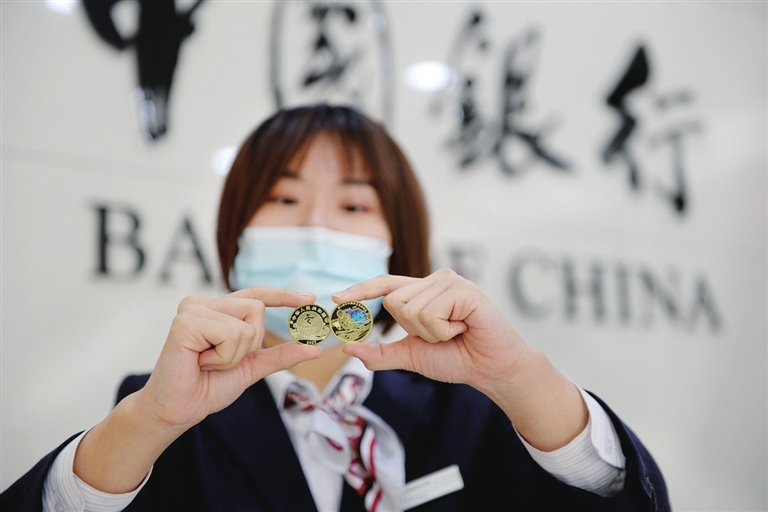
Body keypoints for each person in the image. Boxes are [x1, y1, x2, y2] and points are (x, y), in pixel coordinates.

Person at [1, 104, 669, 511]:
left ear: (395, 246)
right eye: (284, 199)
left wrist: (520, 374)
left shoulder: (473, 408)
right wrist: (147, 420)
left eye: (353, 204)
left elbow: (625, 502)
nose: (316, 226)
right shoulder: (162, 414)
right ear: (235, 239)